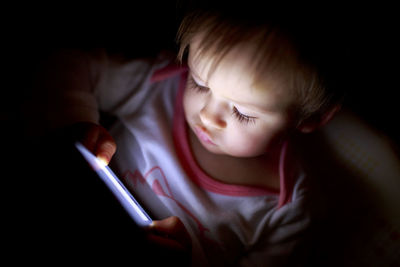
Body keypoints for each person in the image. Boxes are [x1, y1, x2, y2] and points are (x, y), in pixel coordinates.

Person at [29, 2, 347, 266]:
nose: (207, 115)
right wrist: (77, 122)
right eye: (199, 83)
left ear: (310, 118)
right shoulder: (158, 86)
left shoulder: (286, 208)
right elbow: (68, 64)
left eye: (243, 112)